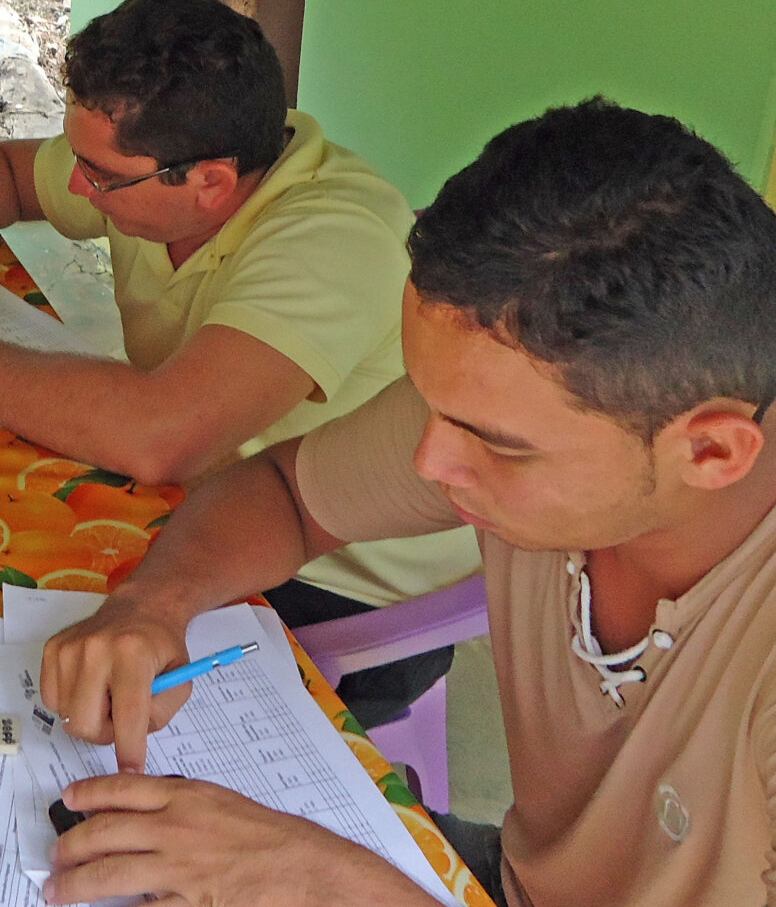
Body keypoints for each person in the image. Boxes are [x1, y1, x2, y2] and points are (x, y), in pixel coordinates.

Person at [39, 98, 776, 907]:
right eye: (430, 407)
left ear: (711, 452)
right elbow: (286, 492)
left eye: (498, 443)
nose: (432, 460)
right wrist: (155, 605)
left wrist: (328, 884)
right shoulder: (529, 408)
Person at [0, 0, 476, 682]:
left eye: (102, 178)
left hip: (336, 579)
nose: (78, 189)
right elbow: (10, 170)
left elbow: (163, 435)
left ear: (210, 183)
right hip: (214, 502)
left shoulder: (336, 240)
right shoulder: (167, 156)